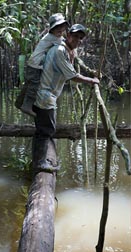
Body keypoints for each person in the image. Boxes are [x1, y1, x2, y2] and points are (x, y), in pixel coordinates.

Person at [32, 24, 100, 172]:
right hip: (45, 96)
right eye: (75, 36)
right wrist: (91, 81)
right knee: (46, 131)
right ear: (68, 35)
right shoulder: (59, 50)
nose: (78, 40)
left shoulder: (66, 49)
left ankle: (39, 161)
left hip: (45, 95)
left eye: (80, 38)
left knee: (42, 131)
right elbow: (73, 76)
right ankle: (39, 164)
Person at [15, 13, 69, 117]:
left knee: (29, 84)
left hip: (33, 63)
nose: (60, 32)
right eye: (57, 29)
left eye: (62, 30)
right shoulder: (52, 37)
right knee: (34, 86)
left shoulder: (53, 37)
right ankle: (27, 106)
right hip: (36, 65)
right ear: (52, 29)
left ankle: (19, 102)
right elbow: (65, 45)